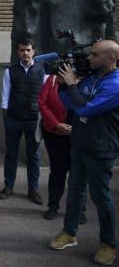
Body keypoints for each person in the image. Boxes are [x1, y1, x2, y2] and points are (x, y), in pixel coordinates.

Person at [49, 40, 119, 266]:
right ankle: (69, 232)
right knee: (76, 190)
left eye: (95, 55)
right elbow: (70, 102)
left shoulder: (115, 83)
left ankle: (108, 244)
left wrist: (71, 86)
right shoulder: (92, 78)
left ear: (111, 59)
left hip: (101, 148)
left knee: (101, 197)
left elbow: (86, 108)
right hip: (80, 143)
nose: (89, 58)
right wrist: (62, 85)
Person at [0, 37, 45, 204]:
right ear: (18, 52)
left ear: (33, 51)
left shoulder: (42, 71)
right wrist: (7, 117)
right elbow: (4, 97)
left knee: (34, 156)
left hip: (34, 119)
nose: (25, 53)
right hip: (14, 118)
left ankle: (33, 189)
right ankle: (8, 186)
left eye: (28, 50)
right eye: (22, 50)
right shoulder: (11, 71)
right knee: (11, 154)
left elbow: (45, 97)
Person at [39, 74, 87, 223]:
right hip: (55, 133)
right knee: (57, 171)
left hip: (80, 134)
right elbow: (42, 103)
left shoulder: (89, 80)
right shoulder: (52, 79)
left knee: (78, 173)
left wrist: (78, 128)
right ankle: (53, 206)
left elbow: (91, 105)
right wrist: (56, 124)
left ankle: (79, 209)